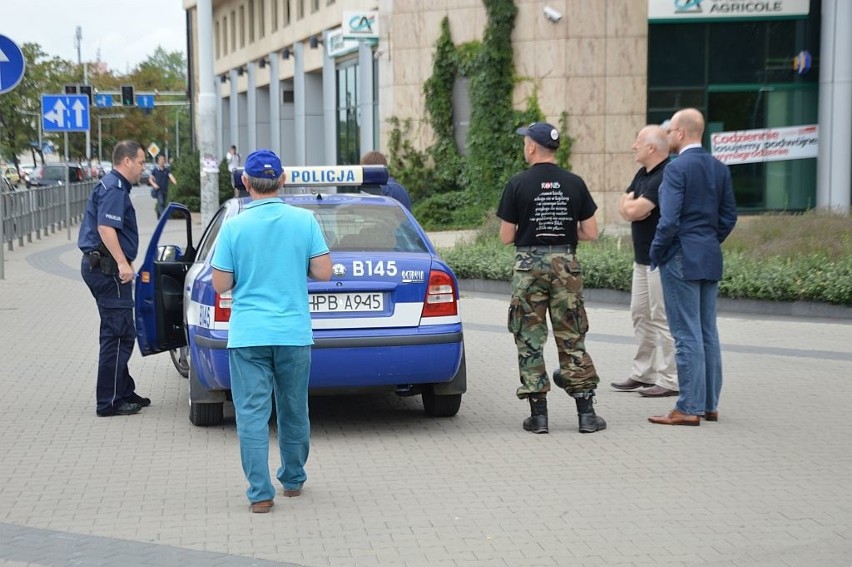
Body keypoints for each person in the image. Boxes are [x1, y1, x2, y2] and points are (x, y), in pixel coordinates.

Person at [210, 149, 332, 513]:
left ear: (245, 183)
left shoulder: (233, 226)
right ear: (282, 180)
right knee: (294, 409)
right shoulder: (305, 220)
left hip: (248, 335)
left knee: (251, 414)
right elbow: (323, 272)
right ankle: (292, 481)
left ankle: (260, 493)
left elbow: (220, 284)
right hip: (293, 333)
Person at [496, 122, 606, 435]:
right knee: (572, 335)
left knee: (529, 338)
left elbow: (506, 237)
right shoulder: (575, 183)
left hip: (529, 266)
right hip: (566, 264)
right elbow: (591, 232)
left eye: (524, 143)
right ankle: (586, 414)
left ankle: (539, 416)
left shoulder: (517, 183)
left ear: (532, 147)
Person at [648, 108, 737, 426]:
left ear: (682, 133)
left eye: (670, 131)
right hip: (709, 255)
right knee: (707, 332)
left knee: (685, 334)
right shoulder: (719, 168)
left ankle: (688, 407)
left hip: (680, 256)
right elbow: (729, 217)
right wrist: (708, 241)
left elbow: (669, 220)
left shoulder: (675, 170)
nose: (668, 136)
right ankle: (709, 404)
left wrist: (657, 252)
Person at [78, 140, 150, 417]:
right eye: (142, 162)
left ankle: (123, 390)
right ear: (127, 161)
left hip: (103, 267)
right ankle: (109, 401)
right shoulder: (115, 188)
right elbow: (106, 228)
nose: (144, 168)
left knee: (119, 330)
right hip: (108, 270)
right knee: (118, 334)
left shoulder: (113, 185)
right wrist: (122, 263)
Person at [612, 125, 679, 398]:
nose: (633, 146)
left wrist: (632, 208)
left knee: (662, 317)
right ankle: (644, 373)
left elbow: (637, 208)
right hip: (641, 260)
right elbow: (625, 206)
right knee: (640, 313)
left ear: (651, 147)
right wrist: (631, 209)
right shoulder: (643, 174)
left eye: (637, 141)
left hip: (660, 260)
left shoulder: (665, 175)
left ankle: (670, 379)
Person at [149, 154, 177, 218]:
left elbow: (171, 176)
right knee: (161, 203)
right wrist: (154, 184)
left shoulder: (166, 170)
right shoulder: (155, 170)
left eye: (163, 160)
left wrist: (175, 182)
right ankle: (163, 217)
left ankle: (159, 215)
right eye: (160, 160)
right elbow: (150, 179)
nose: (162, 162)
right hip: (158, 190)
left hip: (165, 190)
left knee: (163, 203)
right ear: (158, 162)